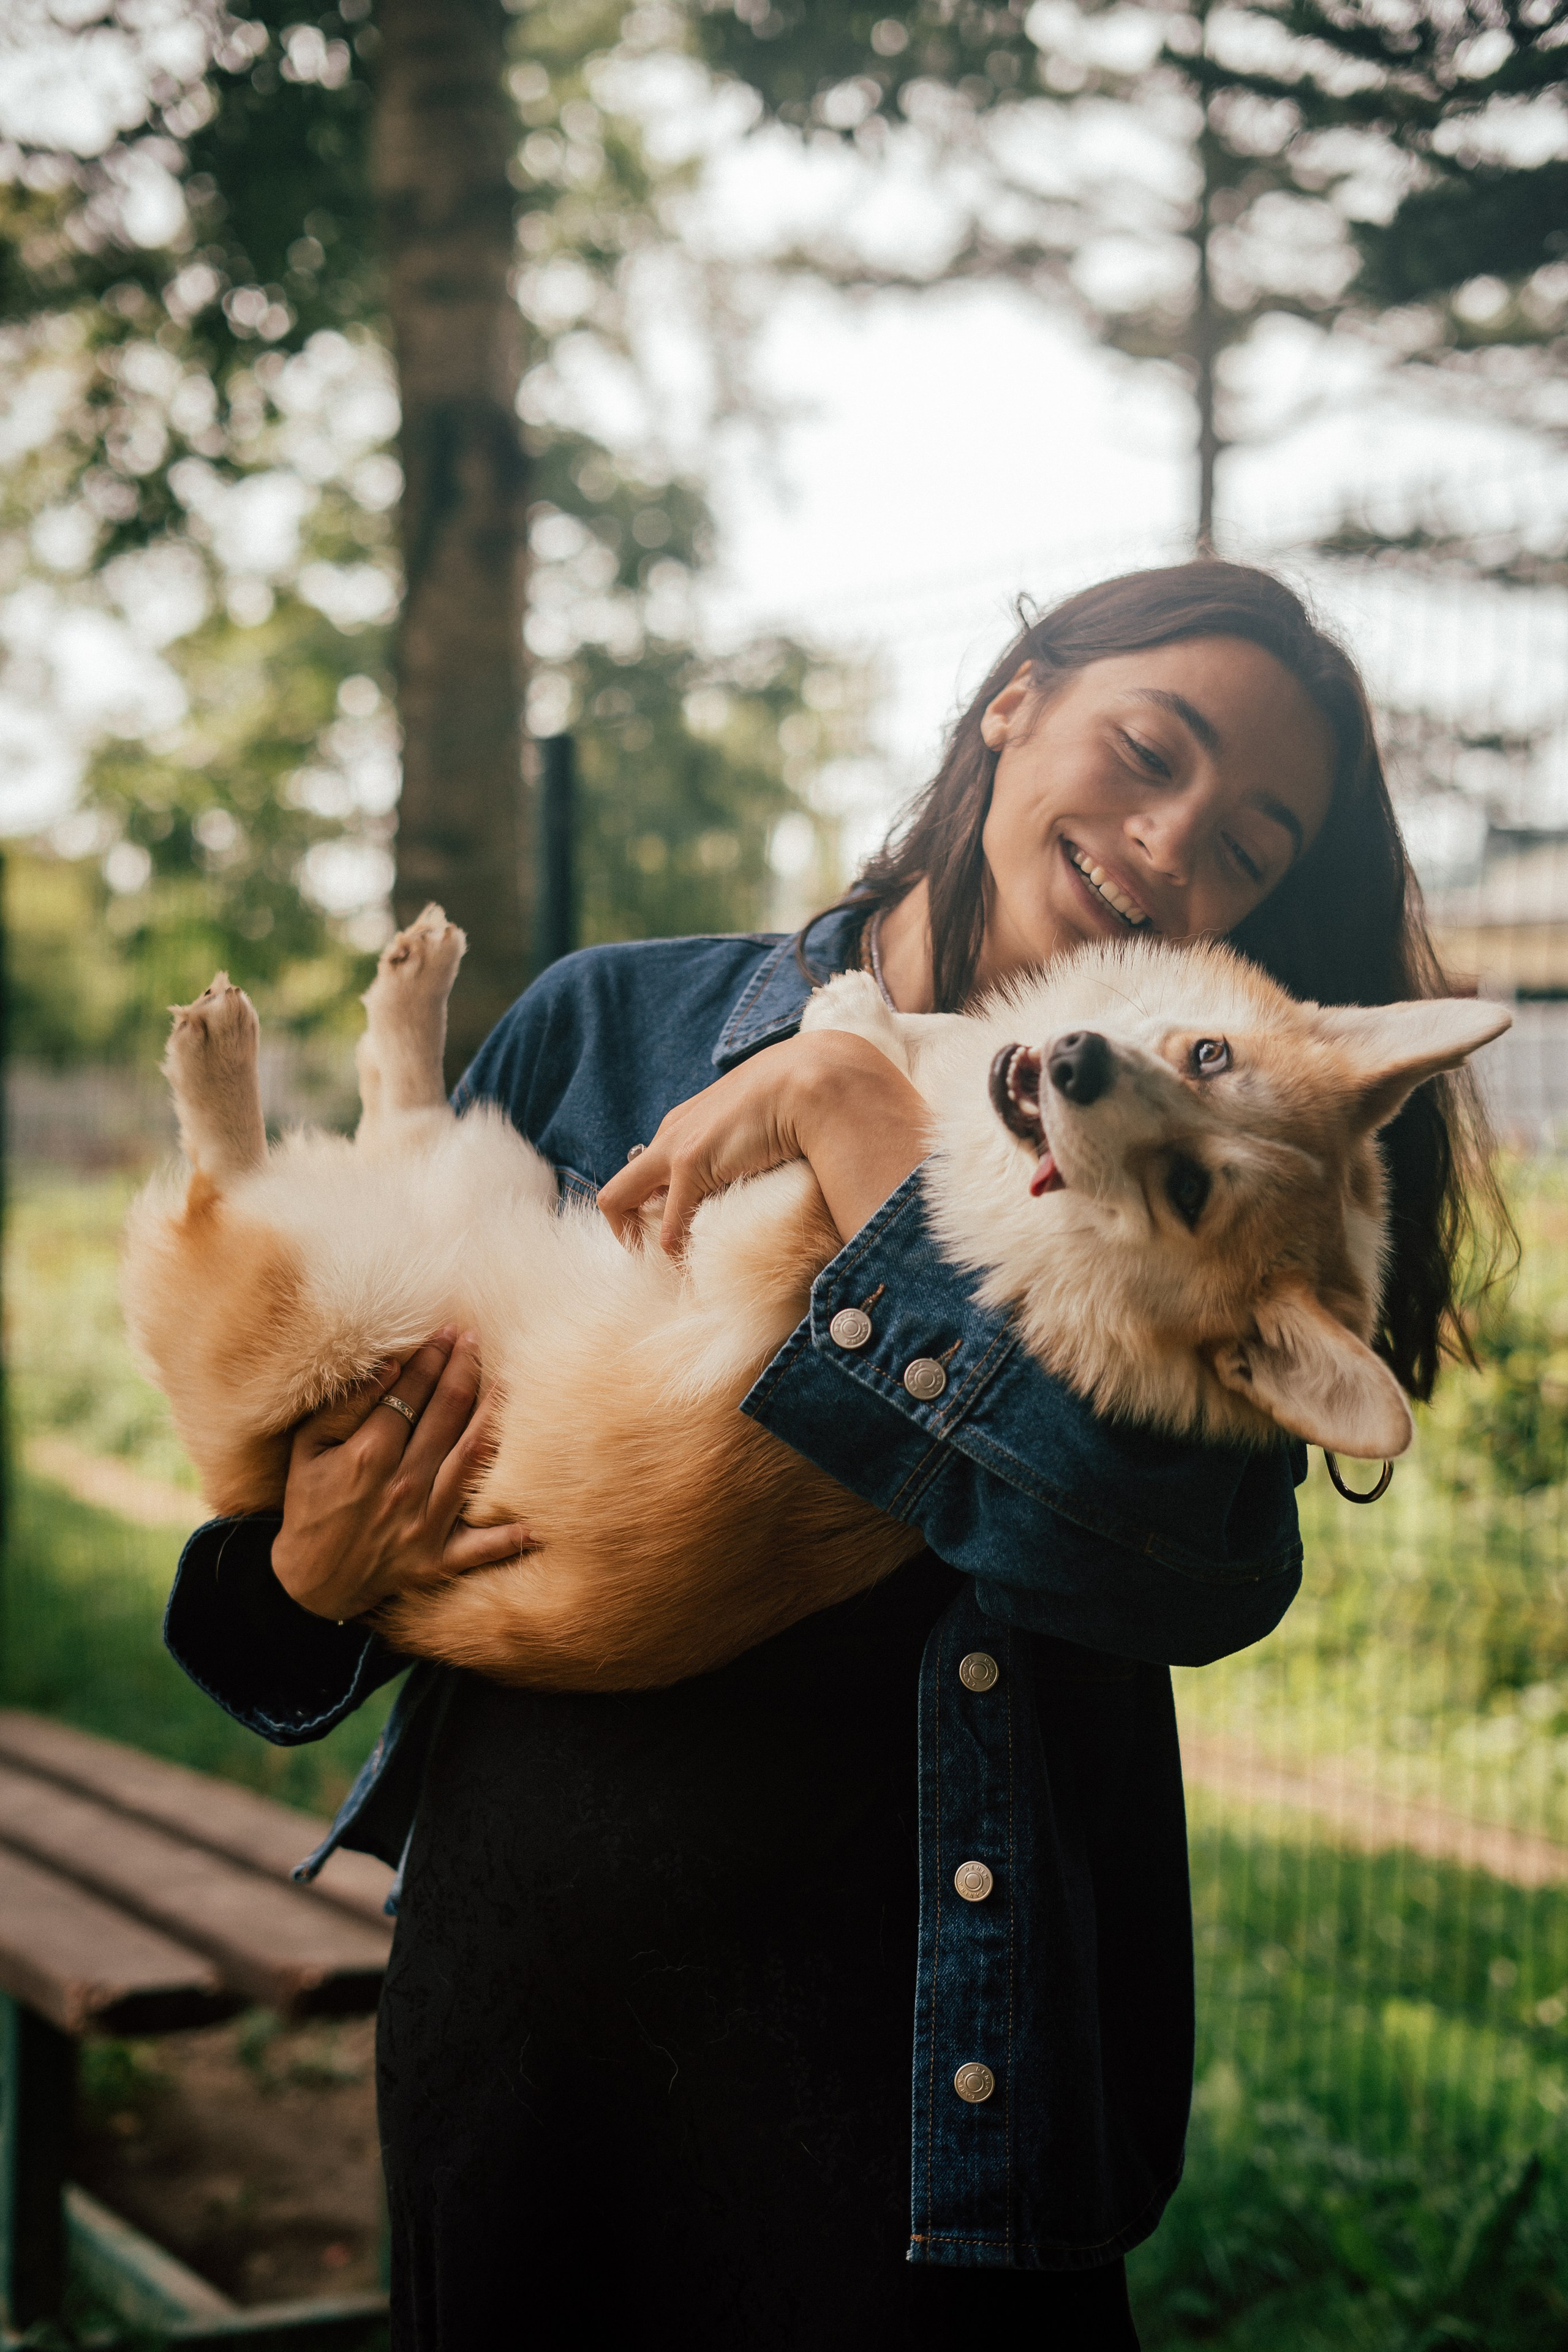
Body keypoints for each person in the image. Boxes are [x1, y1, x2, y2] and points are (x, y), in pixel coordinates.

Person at [163, 561, 1502, 2350]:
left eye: (1251, 847)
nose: (1179, 845)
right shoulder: (614, 1026)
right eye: (1149, 747)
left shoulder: (1230, 1237)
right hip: (525, 2067)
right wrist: (299, 1576)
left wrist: (862, 1134)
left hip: (925, 2154)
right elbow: (257, 1611)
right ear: (1012, 700)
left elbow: (1162, 1569)